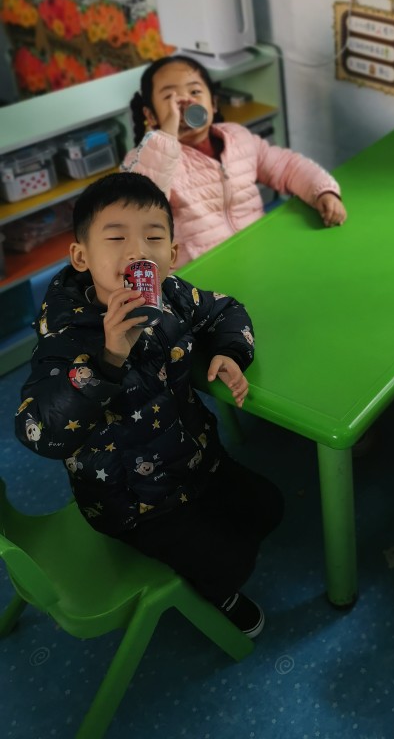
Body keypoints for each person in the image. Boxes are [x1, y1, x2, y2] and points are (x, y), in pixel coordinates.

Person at [15, 172, 283, 637]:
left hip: (195, 459)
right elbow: (39, 431)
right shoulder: (66, 335)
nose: (137, 251)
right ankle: (218, 595)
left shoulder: (172, 295)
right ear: (81, 257)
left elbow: (225, 309)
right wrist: (108, 359)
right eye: (116, 237)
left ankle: (213, 545)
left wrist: (229, 352)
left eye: (153, 237)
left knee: (269, 506)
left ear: (172, 255)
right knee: (229, 564)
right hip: (133, 503)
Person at [121, 54, 347, 267]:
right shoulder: (145, 160)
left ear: (213, 103)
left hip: (258, 253)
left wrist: (322, 191)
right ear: (151, 115)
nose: (185, 102)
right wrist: (166, 136)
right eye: (170, 97)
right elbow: (141, 208)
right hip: (202, 272)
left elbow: (286, 166)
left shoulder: (238, 137)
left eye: (195, 91)